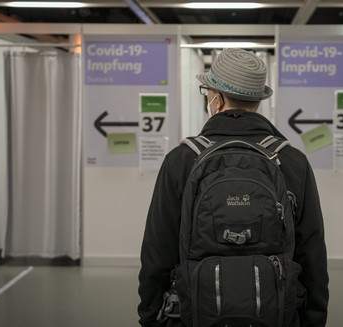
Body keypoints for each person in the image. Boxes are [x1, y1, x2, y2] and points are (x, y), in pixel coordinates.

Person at [138, 48, 329, 327]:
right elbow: (312, 255)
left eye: (206, 91)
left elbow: (157, 252)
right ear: (258, 100)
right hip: (277, 314)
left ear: (216, 98)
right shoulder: (291, 161)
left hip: (194, 314)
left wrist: (150, 318)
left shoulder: (182, 160)